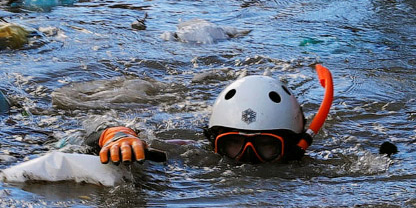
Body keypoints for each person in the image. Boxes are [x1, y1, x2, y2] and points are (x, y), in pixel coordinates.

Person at [86, 64, 334, 165]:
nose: (245, 158)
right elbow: (83, 137)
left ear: (296, 147)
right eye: (232, 143)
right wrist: (119, 136)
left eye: (267, 145)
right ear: (212, 141)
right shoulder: (188, 151)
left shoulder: (317, 170)